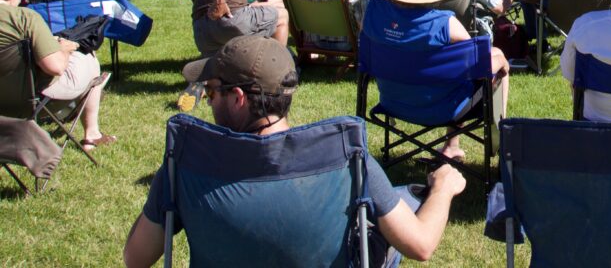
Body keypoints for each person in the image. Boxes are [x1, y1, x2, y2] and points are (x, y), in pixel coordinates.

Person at [123, 35, 468, 266]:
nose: (209, 101)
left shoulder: (188, 160)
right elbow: (420, 245)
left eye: (212, 92)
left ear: (239, 98)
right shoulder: (345, 156)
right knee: (399, 206)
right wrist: (444, 186)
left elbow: (136, 258)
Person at [364, 0, 510, 162]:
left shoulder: (374, 9)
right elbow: (478, 69)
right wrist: (502, 62)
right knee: (496, 58)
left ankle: (453, 146)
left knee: (487, 58)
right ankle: (498, 141)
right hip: (443, 109)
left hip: (393, 100)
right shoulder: (444, 24)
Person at [0, 0, 114, 153]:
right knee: (87, 55)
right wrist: (65, 48)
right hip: (31, 97)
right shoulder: (24, 18)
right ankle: (91, 133)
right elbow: (55, 67)